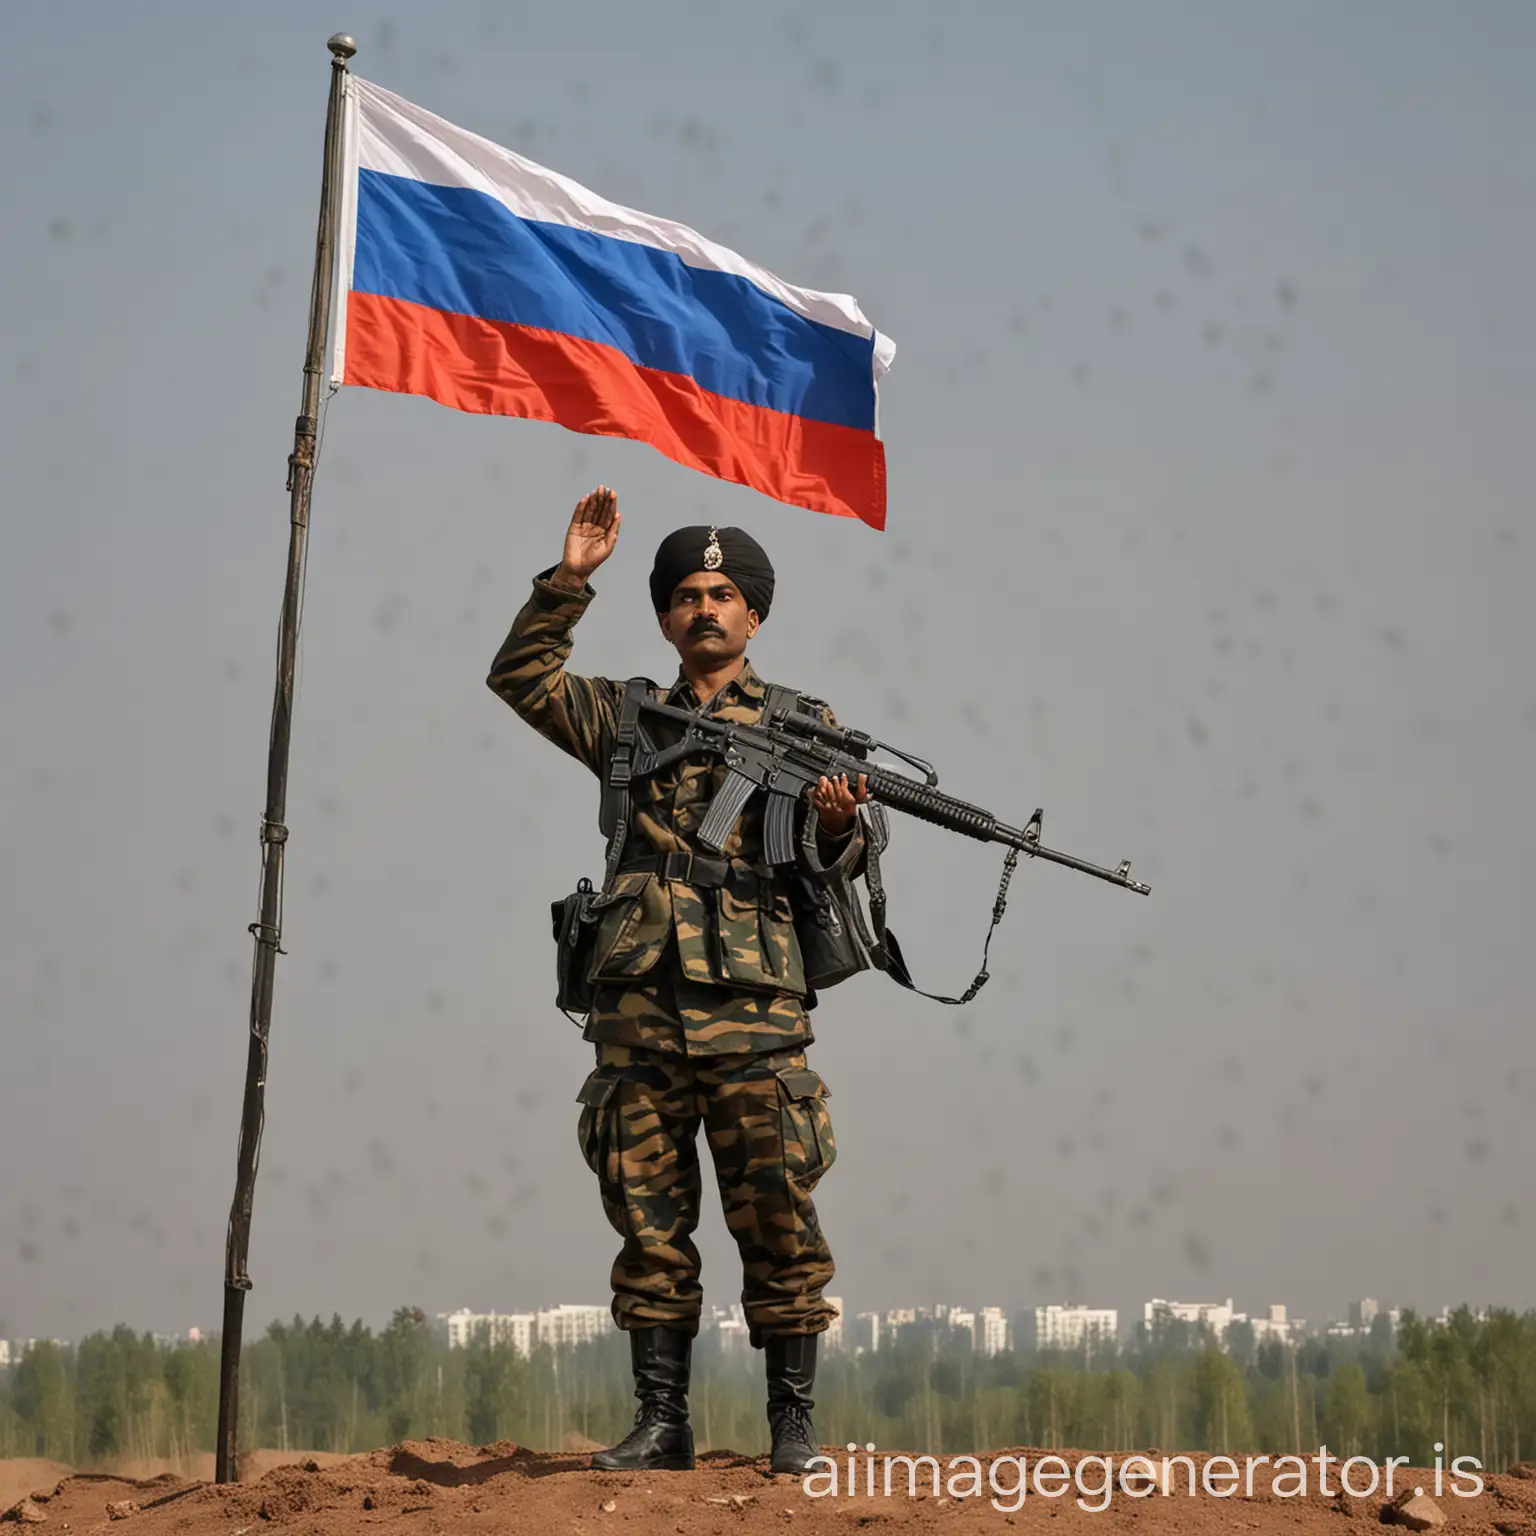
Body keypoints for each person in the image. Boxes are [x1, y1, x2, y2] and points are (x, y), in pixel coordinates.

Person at [486, 486, 867, 1475]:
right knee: (648, 1229)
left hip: (756, 1018)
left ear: (755, 613)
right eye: (688, 593)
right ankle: (663, 1425)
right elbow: (522, 678)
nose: (706, 606)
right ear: (663, 614)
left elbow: (846, 853)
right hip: (639, 1017)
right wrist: (570, 578)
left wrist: (834, 821)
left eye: (724, 592)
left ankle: (792, 1426)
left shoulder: (804, 724)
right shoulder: (624, 719)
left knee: (779, 1217)